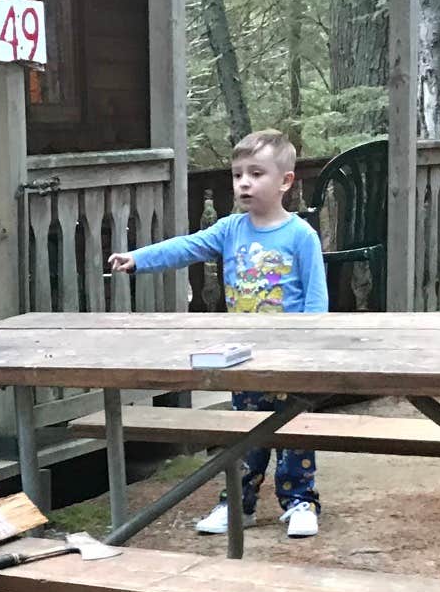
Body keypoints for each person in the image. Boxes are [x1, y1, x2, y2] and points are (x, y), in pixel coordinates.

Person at [108, 129, 329, 539]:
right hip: (244, 356)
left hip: (292, 357)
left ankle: (300, 502)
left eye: (257, 173)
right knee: (244, 433)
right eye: (238, 174)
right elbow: (186, 247)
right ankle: (236, 504)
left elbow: (317, 301)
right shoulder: (229, 230)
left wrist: (311, 349)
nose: (244, 182)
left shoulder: (301, 236)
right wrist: (138, 259)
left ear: (285, 181)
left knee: (296, 431)